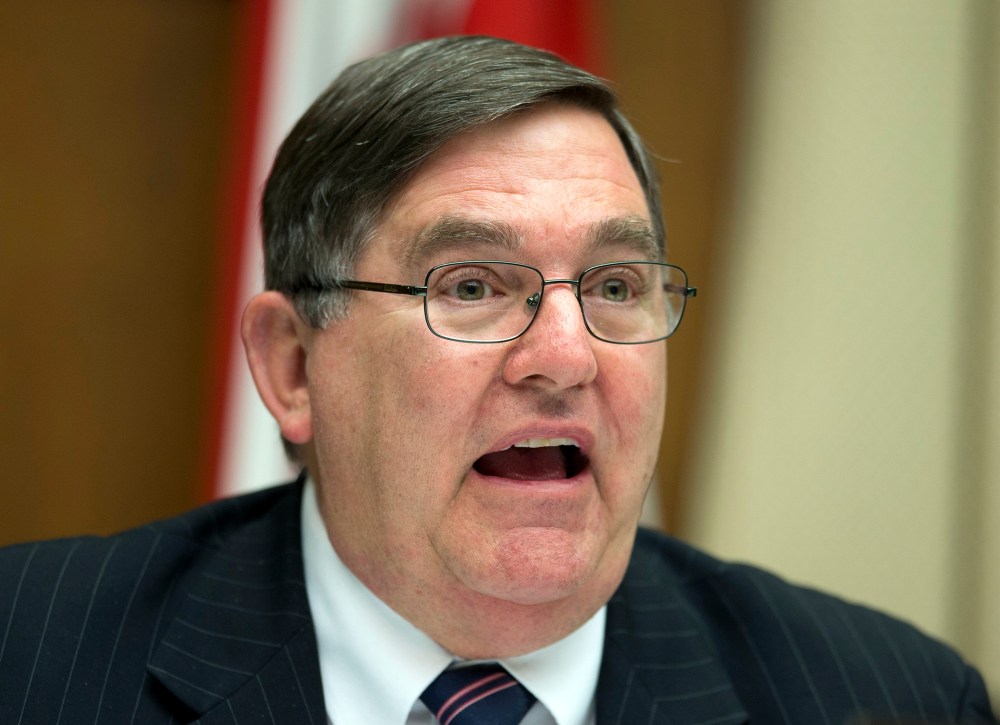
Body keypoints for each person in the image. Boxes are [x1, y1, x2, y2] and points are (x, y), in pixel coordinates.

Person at [0, 35, 994, 725]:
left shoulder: (884, 694)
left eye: (615, 286)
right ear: (293, 366)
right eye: (471, 286)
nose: (565, 355)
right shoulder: (29, 658)